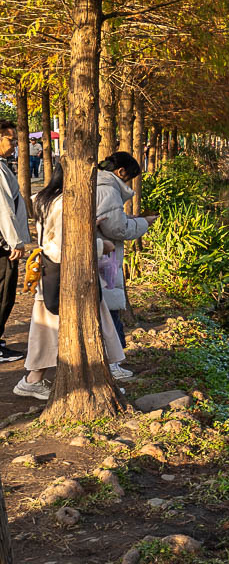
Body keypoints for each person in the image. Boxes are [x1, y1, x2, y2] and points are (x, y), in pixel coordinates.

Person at [14, 162, 128, 399]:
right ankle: (92, 380)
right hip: (68, 273)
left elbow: (54, 236)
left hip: (51, 270)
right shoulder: (66, 202)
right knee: (87, 323)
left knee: (50, 328)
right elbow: (67, 243)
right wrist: (101, 245)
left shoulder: (46, 198)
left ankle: (34, 379)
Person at [96, 152, 157, 362]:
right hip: (104, 258)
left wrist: (127, 218)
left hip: (99, 253)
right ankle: (114, 361)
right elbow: (118, 229)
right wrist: (144, 224)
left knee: (105, 307)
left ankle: (113, 358)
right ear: (121, 172)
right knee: (109, 308)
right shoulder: (109, 190)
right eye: (128, 178)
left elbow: (109, 219)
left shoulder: (97, 183)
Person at [0, 122, 31, 362]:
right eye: (11, 140)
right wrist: (16, 241)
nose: (15, 145)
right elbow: (4, 209)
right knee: (4, 293)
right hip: (3, 245)